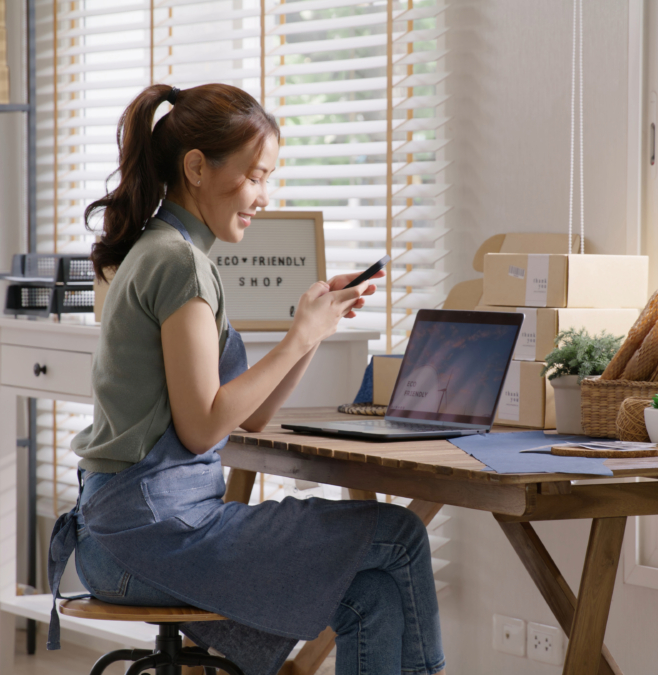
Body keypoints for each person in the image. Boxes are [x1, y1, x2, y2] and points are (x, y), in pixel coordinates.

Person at [45, 83, 446, 675]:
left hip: (131, 533)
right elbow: (205, 427)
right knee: (401, 535)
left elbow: (248, 419)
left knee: (372, 594)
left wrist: (311, 330)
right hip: (152, 536)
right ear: (197, 168)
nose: (263, 196)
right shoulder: (180, 264)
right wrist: (299, 338)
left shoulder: (167, 251)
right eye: (256, 175)